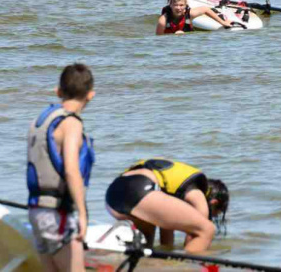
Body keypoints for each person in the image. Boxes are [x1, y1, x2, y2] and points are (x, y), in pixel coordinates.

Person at [26, 63, 96, 272]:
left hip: (36, 211)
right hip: (57, 214)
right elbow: (71, 170)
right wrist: (83, 215)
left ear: (58, 92)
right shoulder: (71, 123)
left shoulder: (39, 121)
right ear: (90, 95)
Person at [105, 158, 229, 253]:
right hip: (139, 189)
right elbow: (195, 235)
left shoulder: (170, 195)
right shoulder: (197, 192)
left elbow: (166, 243)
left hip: (113, 196)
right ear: (213, 203)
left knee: (147, 248)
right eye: (215, 213)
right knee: (207, 229)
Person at [156, 0, 237, 35]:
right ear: (170, 5)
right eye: (175, 5)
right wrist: (174, 36)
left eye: (181, 5)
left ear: (185, 5)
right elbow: (159, 39)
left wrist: (223, 22)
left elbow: (205, 9)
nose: (178, 8)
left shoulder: (189, 14)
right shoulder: (163, 21)